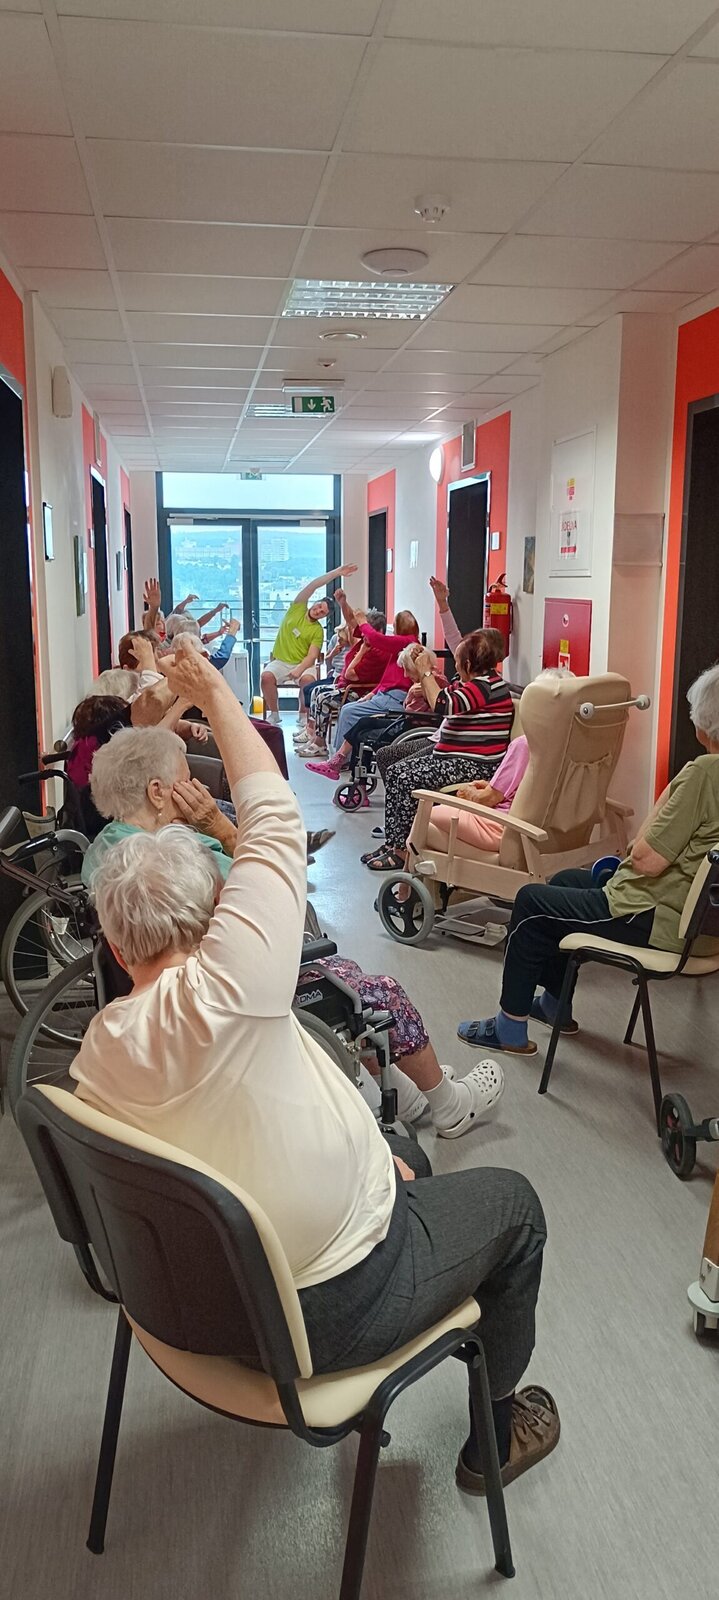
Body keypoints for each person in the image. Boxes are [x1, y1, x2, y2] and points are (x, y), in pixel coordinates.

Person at [71, 640, 559, 1493]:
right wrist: (212, 691)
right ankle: (494, 1434)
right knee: (515, 1205)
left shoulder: (96, 1057)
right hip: (316, 1316)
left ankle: (397, 1169)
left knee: (404, 1155)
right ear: (214, 915)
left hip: (185, 1311)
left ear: (115, 945)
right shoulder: (234, 988)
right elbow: (271, 816)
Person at [457, 662, 719, 1055]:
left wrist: (667, 797)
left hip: (656, 917)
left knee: (530, 901)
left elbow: (645, 859)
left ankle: (509, 1028)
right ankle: (554, 1006)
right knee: (564, 881)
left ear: (704, 723)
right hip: (701, 929)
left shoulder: (704, 773)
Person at [365, 629, 514, 874]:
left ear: (468, 664)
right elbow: (444, 694)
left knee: (404, 777)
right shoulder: (475, 684)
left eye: (457, 661)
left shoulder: (484, 687)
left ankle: (403, 849)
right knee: (393, 766)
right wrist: (421, 667)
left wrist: (425, 671)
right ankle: (395, 840)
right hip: (453, 756)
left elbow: (443, 704)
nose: (456, 666)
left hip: (472, 764)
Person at [423, 669, 572, 852]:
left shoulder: (525, 745)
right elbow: (533, 790)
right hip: (548, 833)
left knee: (424, 815)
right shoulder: (573, 746)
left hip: (504, 827)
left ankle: (410, 868)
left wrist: (469, 792)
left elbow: (486, 799)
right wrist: (490, 786)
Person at [81, 723, 237, 888]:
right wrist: (221, 830)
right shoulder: (189, 862)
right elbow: (255, 881)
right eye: (185, 780)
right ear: (157, 792)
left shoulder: (101, 846)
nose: (193, 786)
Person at [307, 591, 421, 779]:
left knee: (348, 711)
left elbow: (370, 640)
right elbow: (386, 678)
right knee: (345, 707)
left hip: (393, 698)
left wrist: (361, 620)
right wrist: (372, 694)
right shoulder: (398, 647)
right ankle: (338, 758)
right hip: (382, 693)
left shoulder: (406, 643)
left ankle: (339, 761)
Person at [260, 562, 358, 726]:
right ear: (315, 602)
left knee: (307, 680)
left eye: (322, 612)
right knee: (266, 677)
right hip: (281, 661)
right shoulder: (297, 608)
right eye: (319, 606)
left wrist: (299, 669)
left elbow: (312, 656)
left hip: (303, 663)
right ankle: (274, 714)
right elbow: (313, 585)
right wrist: (337, 572)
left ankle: (303, 715)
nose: (318, 611)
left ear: (323, 617)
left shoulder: (317, 630)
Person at [294, 608, 387, 758]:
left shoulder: (376, 651)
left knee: (323, 698)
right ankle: (314, 737)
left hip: (358, 690)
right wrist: (343, 603)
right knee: (315, 691)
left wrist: (362, 652)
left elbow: (350, 674)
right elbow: (351, 623)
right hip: (345, 684)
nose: (362, 632)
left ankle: (319, 743)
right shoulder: (365, 642)